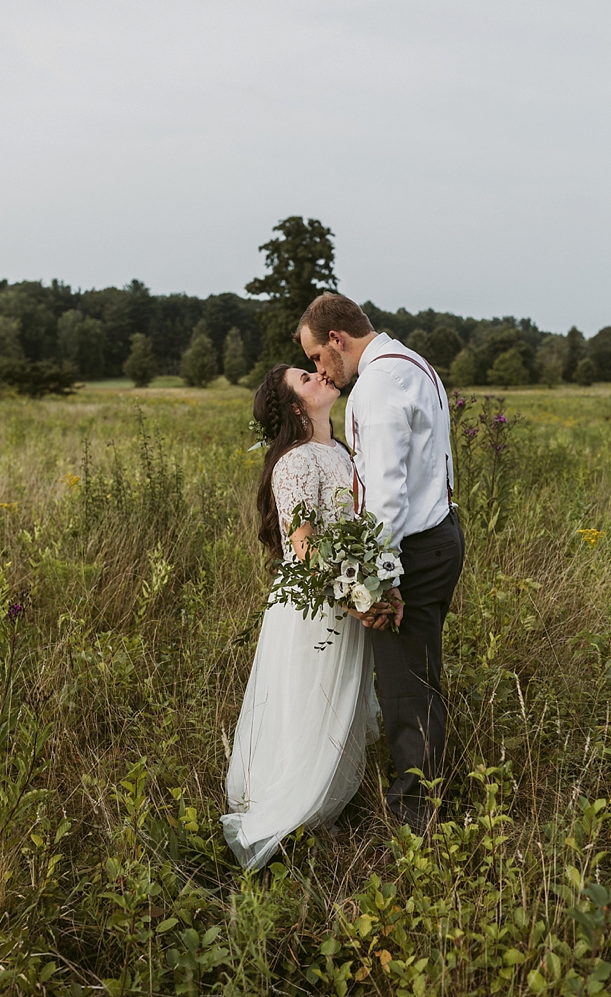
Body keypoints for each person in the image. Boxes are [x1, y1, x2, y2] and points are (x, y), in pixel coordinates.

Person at [297, 293, 464, 831]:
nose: (322, 371)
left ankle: (417, 816)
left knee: (404, 688)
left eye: (319, 357)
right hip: (440, 535)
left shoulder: (374, 386)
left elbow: (386, 495)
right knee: (420, 677)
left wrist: (379, 581)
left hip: (410, 551)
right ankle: (432, 791)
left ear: (337, 341)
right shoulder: (414, 364)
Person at [223, 365, 380, 870]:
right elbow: (305, 544)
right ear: (296, 407)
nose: (320, 376)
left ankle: (326, 802)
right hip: (316, 603)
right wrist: (355, 593)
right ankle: (289, 808)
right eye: (306, 380)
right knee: (308, 699)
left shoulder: (340, 451)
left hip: (346, 589)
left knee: (339, 699)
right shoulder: (295, 462)